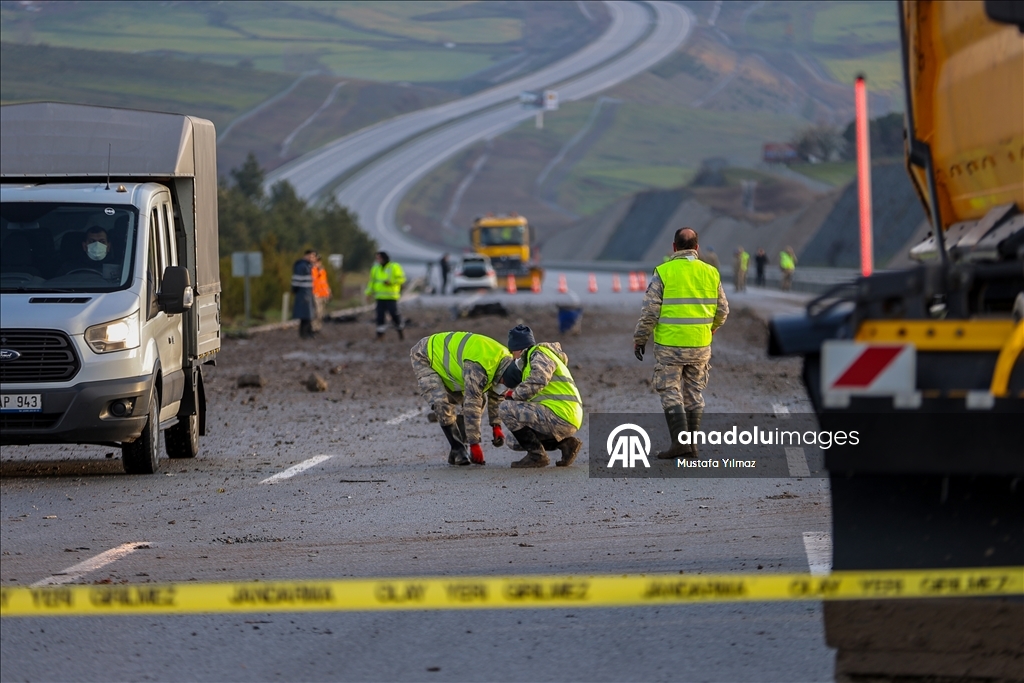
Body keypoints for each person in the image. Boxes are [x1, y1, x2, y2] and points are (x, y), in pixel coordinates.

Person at [633, 227, 728, 460]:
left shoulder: (664, 271)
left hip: (670, 346)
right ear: (697, 247)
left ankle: (680, 444)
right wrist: (712, 328)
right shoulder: (711, 272)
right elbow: (723, 310)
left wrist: (640, 338)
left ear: (674, 247)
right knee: (694, 393)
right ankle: (691, 446)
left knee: (670, 391)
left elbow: (650, 312)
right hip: (700, 345)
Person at [409, 331, 515, 467]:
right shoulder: (479, 366)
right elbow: (472, 404)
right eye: (502, 382)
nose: (502, 385)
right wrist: (474, 444)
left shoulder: (507, 363)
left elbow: (497, 394)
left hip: (452, 367)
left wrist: (496, 425)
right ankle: (458, 448)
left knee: (479, 399)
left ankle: (459, 448)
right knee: (441, 403)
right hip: (425, 355)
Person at [498, 325, 583, 468]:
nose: (513, 357)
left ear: (519, 349)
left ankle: (537, 456)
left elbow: (539, 380)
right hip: (566, 415)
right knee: (514, 441)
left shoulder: (539, 354)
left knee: (505, 408)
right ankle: (566, 444)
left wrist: (514, 395)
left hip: (561, 414)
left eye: (512, 352)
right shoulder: (534, 361)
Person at [365, 251, 406, 340]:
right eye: (377, 258)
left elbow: (401, 279)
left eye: (379, 258)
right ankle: (380, 335)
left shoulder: (394, 267)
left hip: (391, 297)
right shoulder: (375, 268)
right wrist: (368, 293)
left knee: (394, 314)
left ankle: (400, 330)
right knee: (379, 316)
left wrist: (391, 282)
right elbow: (372, 282)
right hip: (380, 297)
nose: (378, 260)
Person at [292, 250, 317, 339]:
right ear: (306, 256)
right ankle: (304, 334)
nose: (312, 258)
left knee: (308, 314)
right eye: (311, 256)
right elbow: (297, 280)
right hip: (303, 293)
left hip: (308, 292)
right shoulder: (302, 266)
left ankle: (308, 332)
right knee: (305, 314)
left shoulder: (308, 266)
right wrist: (295, 289)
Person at [311, 252, 331, 330]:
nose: (318, 263)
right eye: (316, 261)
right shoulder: (312, 271)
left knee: (321, 313)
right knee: (317, 311)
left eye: (319, 261)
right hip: (315, 294)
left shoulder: (323, 271)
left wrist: (328, 292)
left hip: (323, 294)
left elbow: (324, 282)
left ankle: (317, 327)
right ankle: (313, 327)